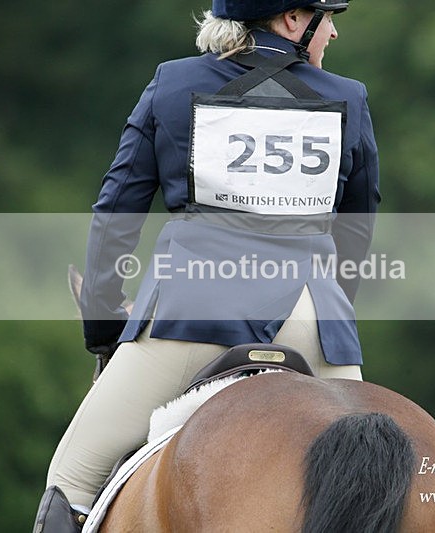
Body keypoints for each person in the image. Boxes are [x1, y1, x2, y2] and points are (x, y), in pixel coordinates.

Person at [33, 0, 379, 530]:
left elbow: (116, 214)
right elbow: (357, 230)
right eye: (327, 18)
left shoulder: (173, 84)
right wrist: (330, 319)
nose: (331, 33)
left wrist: (104, 327)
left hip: (191, 317)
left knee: (70, 480)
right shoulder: (349, 98)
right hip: (314, 322)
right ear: (291, 19)